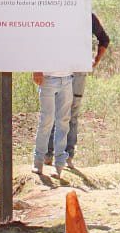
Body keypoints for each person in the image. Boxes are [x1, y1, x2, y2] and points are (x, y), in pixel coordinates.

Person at [45, 12, 110, 170]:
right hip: (59, 69)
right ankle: (50, 154)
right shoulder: (57, 12)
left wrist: (95, 60)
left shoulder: (87, 16)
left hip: (77, 70)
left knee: (71, 113)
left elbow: (104, 39)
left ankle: (66, 155)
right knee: (57, 111)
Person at [32, 69, 74, 181]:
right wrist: (36, 69)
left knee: (63, 122)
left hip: (67, 78)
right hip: (47, 78)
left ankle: (58, 165)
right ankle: (38, 161)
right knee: (46, 121)